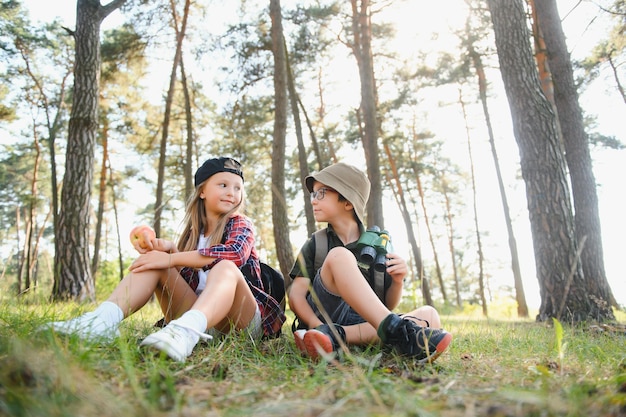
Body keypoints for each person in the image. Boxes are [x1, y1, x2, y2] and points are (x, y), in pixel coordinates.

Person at [42, 157, 285, 362]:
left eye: (237, 188)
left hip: (240, 323)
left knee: (224, 267)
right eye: (223, 185)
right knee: (154, 259)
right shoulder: (192, 235)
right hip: (202, 322)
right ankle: (101, 322)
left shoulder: (240, 224)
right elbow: (185, 268)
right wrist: (163, 251)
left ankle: (184, 332)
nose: (231, 193)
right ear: (202, 191)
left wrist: (171, 258)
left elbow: (234, 254)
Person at [288, 162, 452, 363]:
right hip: (323, 315)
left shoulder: (377, 247)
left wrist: (398, 281)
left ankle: (337, 337)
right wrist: (316, 325)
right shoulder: (318, 243)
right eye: (313, 194)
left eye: (321, 193)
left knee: (430, 314)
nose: (313, 201)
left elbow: (384, 306)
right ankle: (393, 333)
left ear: (348, 202)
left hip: (358, 323)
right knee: (340, 256)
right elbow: (296, 295)